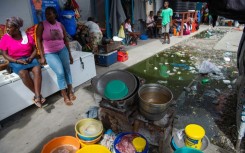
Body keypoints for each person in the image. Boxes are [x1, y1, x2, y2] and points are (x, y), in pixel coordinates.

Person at [0, 17, 45, 108]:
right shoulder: (5, 38)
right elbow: (4, 54)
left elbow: (34, 50)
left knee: (37, 69)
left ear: (17, 28)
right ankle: (38, 96)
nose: (7, 29)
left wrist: (31, 57)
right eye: (7, 27)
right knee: (23, 73)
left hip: (29, 58)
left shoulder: (26, 35)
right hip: (15, 60)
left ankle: (37, 97)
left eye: (9, 27)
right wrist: (16, 61)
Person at [36, 6, 76, 105]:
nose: (47, 15)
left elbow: (66, 40)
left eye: (49, 13)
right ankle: (65, 95)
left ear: (55, 14)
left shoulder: (60, 25)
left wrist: (70, 55)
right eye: (46, 14)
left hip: (62, 50)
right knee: (60, 72)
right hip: (50, 53)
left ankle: (70, 91)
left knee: (67, 70)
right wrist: (42, 56)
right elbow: (38, 40)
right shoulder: (42, 25)